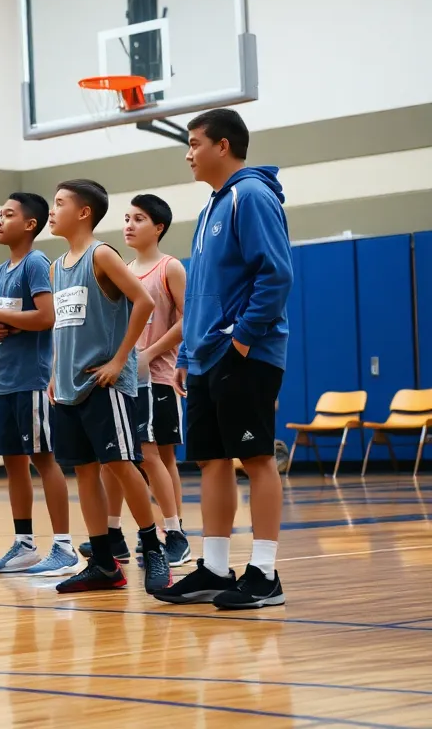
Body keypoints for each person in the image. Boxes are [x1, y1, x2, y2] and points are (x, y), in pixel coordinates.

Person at [154, 108, 292, 610]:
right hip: (207, 358)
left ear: (224, 146)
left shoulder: (250, 196)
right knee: (211, 459)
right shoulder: (213, 205)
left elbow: (275, 276)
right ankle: (214, 568)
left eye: (194, 143)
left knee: (255, 458)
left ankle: (265, 573)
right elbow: (204, 295)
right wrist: (190, 351)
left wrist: (242, 341)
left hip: (247, 354)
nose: (188, 153)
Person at [46, 179, 171, 595]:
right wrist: (53, 374)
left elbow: (145, 301)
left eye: (59, 203)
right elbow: (62, 328)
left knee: (121, 464)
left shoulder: (101, 255)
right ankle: (102, 562)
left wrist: (121, 360)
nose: (52, 210)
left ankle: (153, 547)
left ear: (83, 212)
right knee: (84, 471)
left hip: (106, 383)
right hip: (67, 386)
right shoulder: (55, 266)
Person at [78, 194, 191, 566]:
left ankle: (174, 532)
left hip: (157, 376)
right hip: (125, 376)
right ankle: (113, 534)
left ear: (158, 227)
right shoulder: (122, 267)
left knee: (156, 454)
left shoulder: (170, 268)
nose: (128, 225)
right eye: (126, 218)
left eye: (139, 219)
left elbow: (185, 322)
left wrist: (149, 353)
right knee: (119, 454)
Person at [0, 194, 79, 578]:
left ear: (30, 224)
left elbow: (45, 316)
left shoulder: (37, 263)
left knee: (44, 459)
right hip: (4, 379)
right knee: (13, 463)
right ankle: (24, 544)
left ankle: (64, 546)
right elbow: (7, 324)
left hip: (32, 380)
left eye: (8, 214)